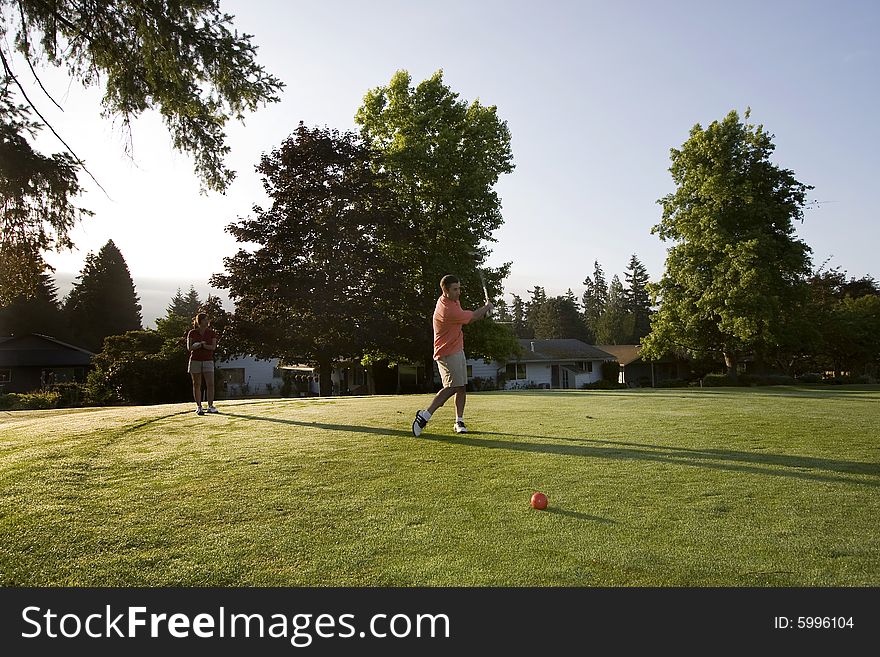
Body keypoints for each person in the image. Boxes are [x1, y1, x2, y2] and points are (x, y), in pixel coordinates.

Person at [412, 274, 493, 436]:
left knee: (461, 387)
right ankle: (424, 415)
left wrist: (484, 313)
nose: (459, 292)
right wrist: (486, 307)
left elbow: (470, 317)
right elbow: (470, 318)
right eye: (455, 289)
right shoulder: (447, 309)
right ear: (445, 290)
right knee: (452, 387)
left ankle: (459, 421)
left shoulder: (452, 301)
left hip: (457, 349)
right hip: (446, 352)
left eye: (459, 288)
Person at [187, 312, 219, 415]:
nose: (207, 321)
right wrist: (199, 345)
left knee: (210, 384)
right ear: (200, 321)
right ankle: (199, 407)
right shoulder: (192, 333)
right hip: (195, 360)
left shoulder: (211, 333)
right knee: (197, 384)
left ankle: (210, 406)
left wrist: (203, 346)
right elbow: (189, 347)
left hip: (208, 360)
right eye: (205, 319)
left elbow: (213, 347)